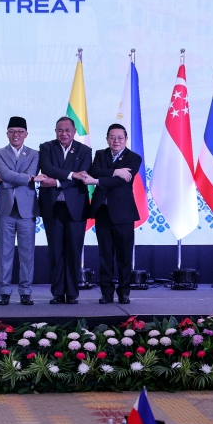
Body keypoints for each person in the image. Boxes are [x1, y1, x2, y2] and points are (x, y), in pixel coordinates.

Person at [77, 123, 142, 305]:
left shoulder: (134, 158)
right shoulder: (100, 154)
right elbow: (94, 170)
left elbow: (121, 182)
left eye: (120, 137)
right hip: (102, 212)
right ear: (107, 139)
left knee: (124, 256)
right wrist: (115, 171)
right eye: (112, 137)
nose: (116, 141)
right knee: (105, 256)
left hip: (123, 214)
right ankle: (106, 293)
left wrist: (96, 181)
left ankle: (124, 293)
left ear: (126, 139)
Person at [38, 116, 92, 304]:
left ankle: (72, 293)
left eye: (67, 130)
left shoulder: (85, 150)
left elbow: (82, 175)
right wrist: (70, 175)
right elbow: (46, 168)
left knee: (73, 251)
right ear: (55, 131)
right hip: (52, 207)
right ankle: (58, 292)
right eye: (60, 130)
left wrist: (57, 181)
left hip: (76, 208)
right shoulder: (46, 147)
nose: (64, 134)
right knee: (55, 251)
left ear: (74, 131)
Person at [0, 116, 41, 305]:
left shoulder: (35, 154)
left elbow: (30, 173)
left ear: (26, 134)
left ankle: (25, 291)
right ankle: (4, 291)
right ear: (7, 133)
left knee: (27, 253)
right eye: (12, 131)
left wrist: (17, 177)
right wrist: (27, 178)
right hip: (6, 208)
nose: (16, 135)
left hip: (26, 209)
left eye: (20, 132)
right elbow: (4, 173)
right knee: (4, 252)